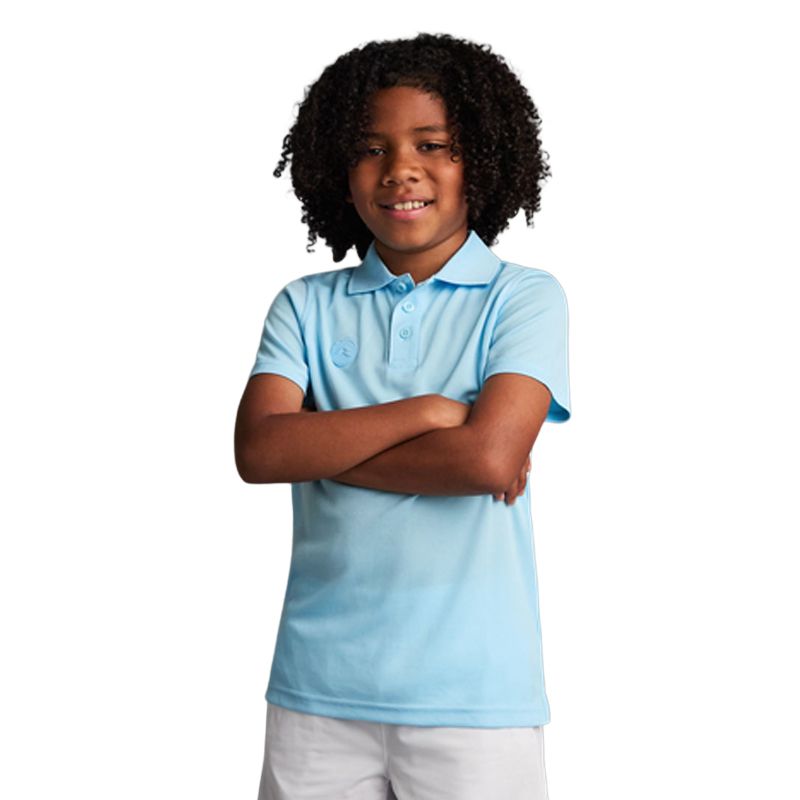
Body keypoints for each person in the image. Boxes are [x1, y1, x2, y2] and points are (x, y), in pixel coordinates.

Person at [234, 32, 571, 800]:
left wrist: (319, 446)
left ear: (481, 158)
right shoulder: (304, 306)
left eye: (433, 145)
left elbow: (485, 462)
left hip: (474, 699)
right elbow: (259, 451)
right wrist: (432, 412)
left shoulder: (524, 298)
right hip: (315, 693)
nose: (400, 170)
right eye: (371, 148)